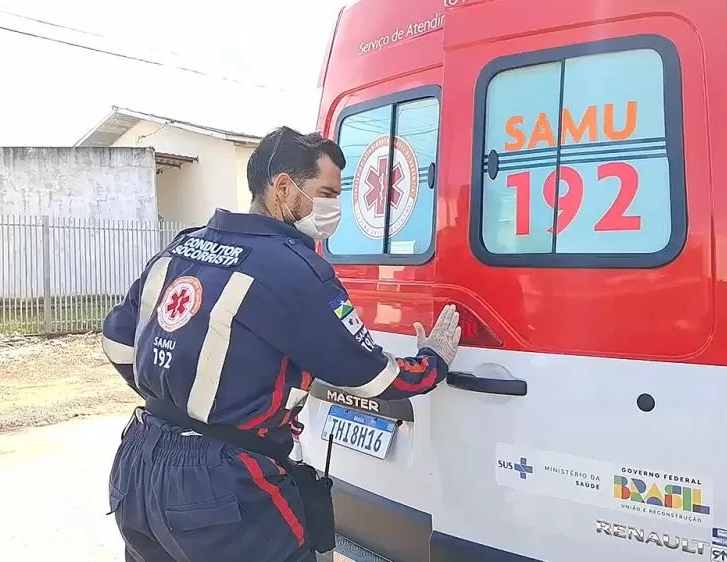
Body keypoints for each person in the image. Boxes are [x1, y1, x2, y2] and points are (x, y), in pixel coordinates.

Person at [100, 126, 461, 562]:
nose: (335, 207)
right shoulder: (293, 270)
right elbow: (371, 376)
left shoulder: (183, 247)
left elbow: (118, 344)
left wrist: (185, 400)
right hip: (223, 489)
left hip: (139, 463)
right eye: (326, 192)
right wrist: (433, 361)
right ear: (284, 188)